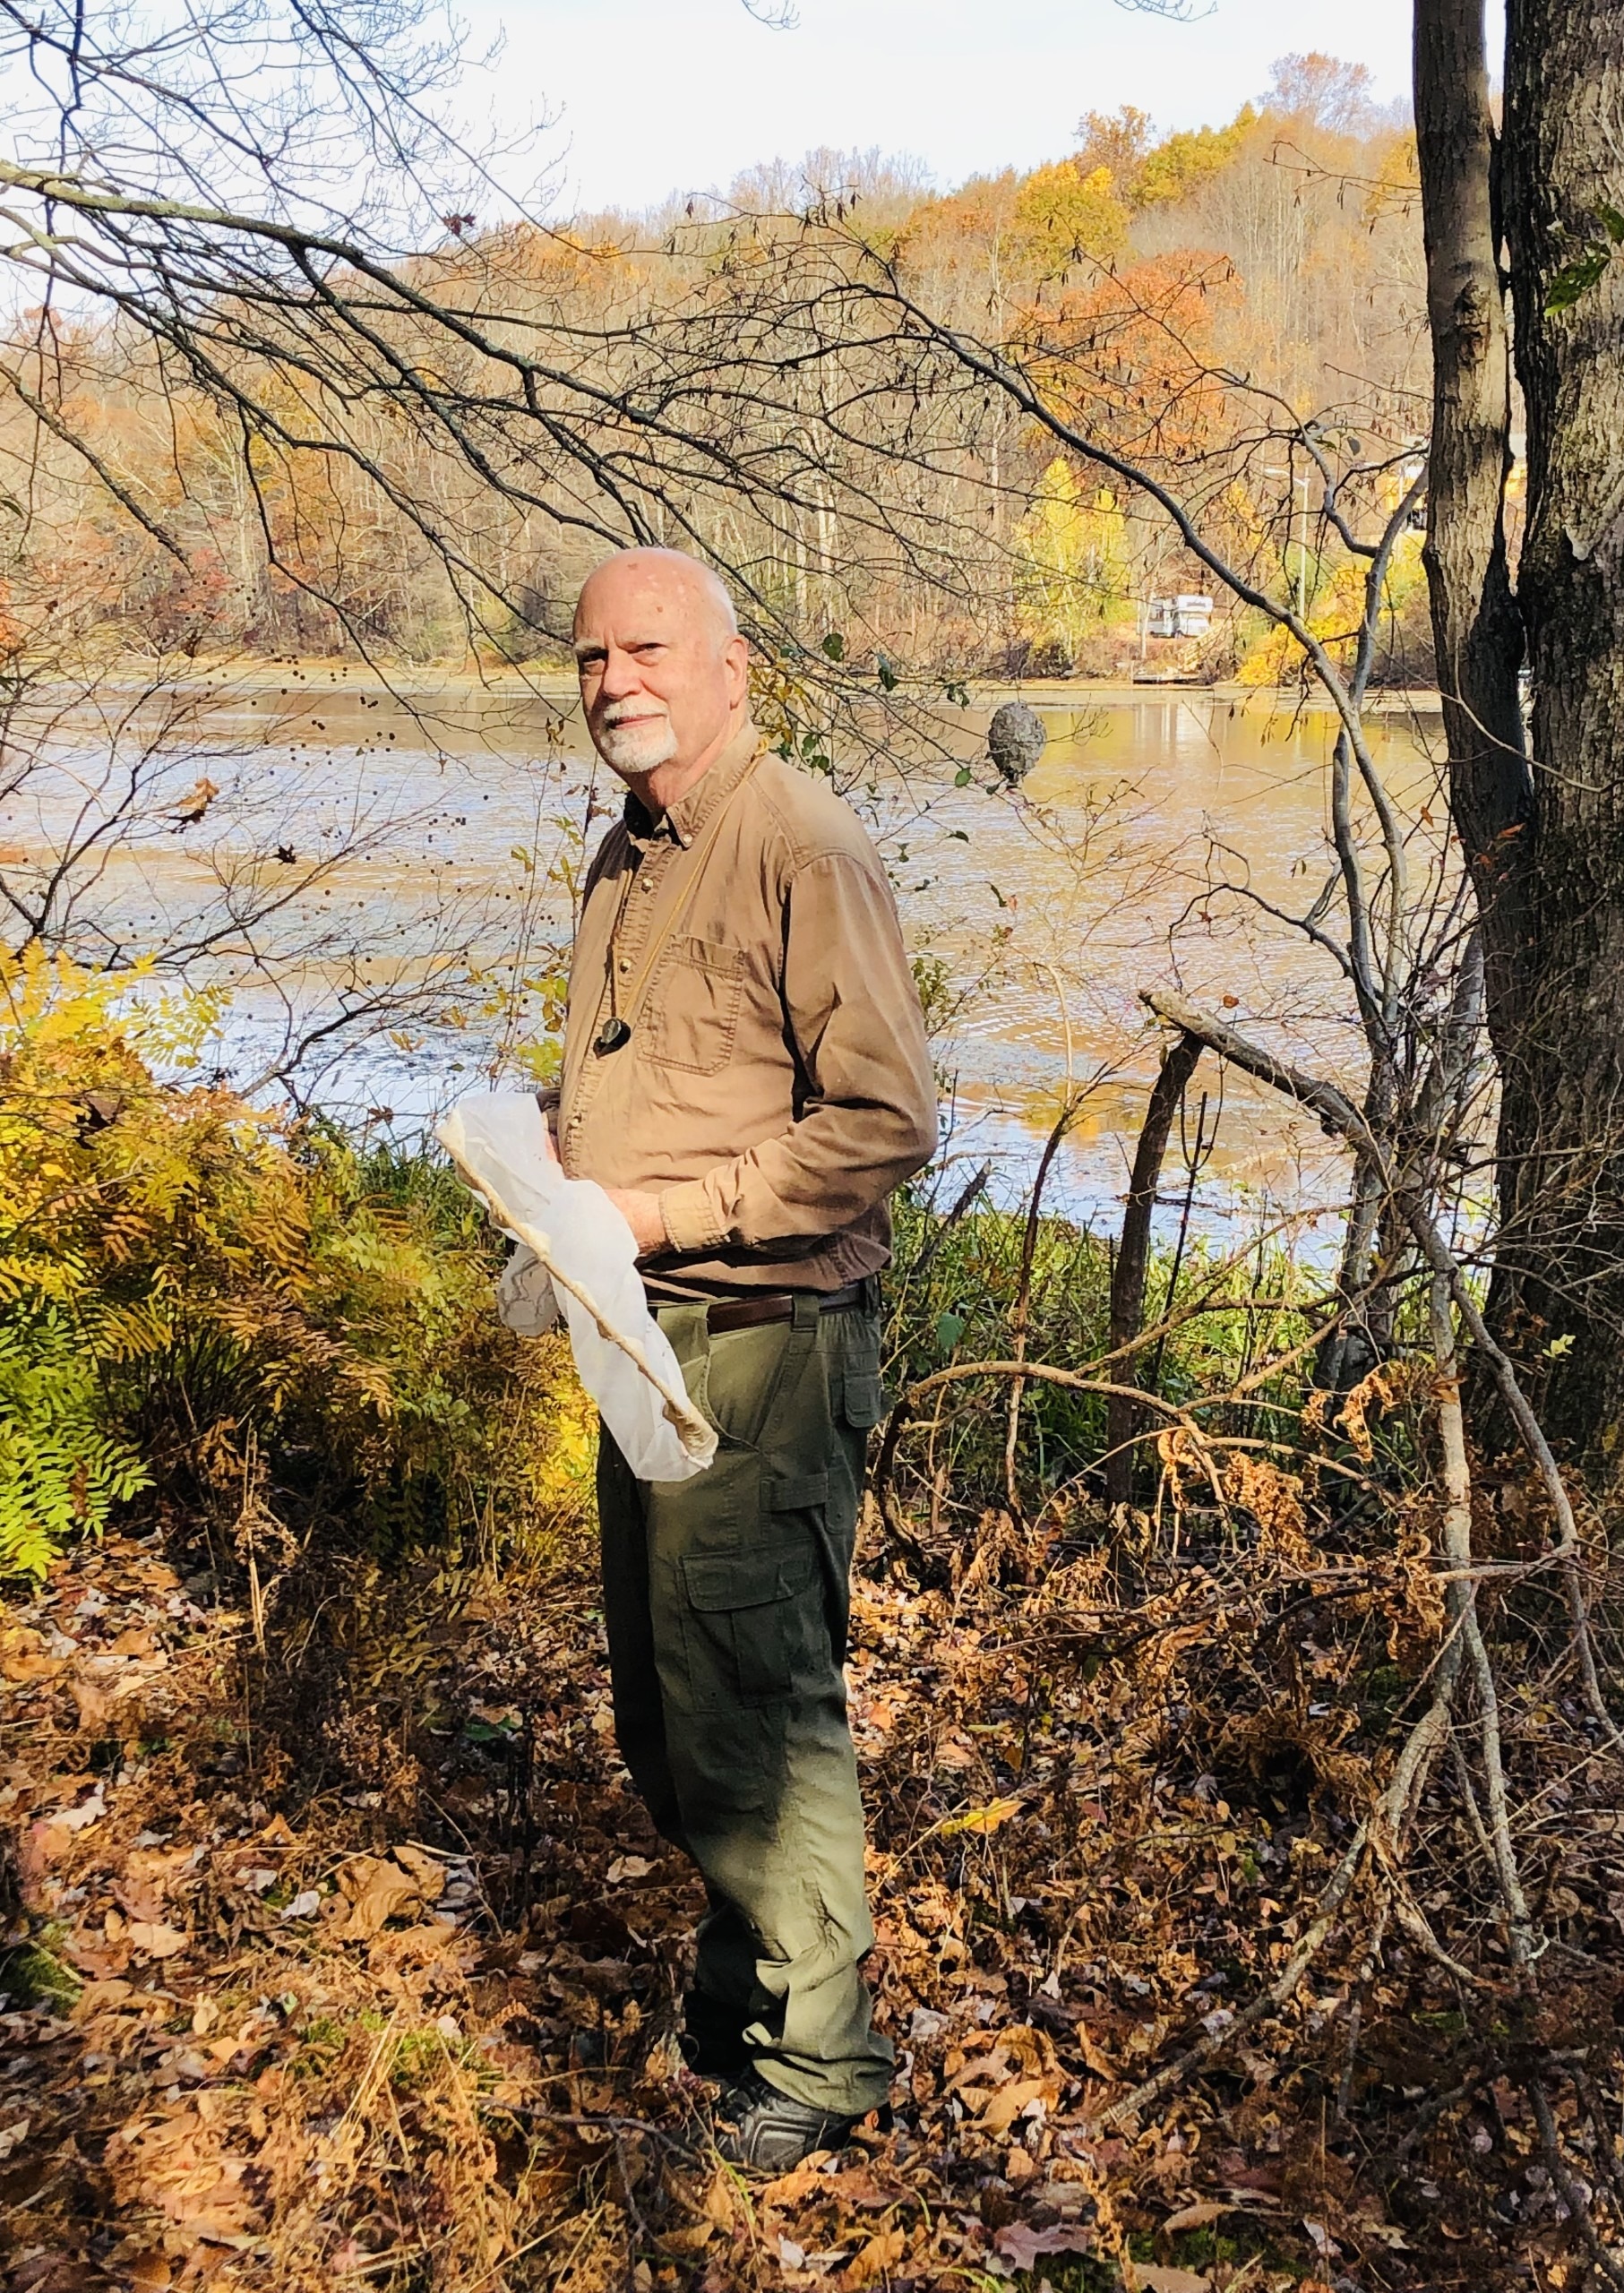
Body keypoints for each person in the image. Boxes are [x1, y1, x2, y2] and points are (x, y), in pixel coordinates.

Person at [542, 547, 939, 2170]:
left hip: (762, 1349)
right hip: (651, 1335)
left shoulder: (802, 844)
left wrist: (652, 1210)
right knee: (667, 1706)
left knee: (760, 1709)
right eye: (589, 658)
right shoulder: (630, 852)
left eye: (647, 649)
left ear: (731, 670)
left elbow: (887, 1120)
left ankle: (819, 2058)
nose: (615, 679)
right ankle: (742, 1997)